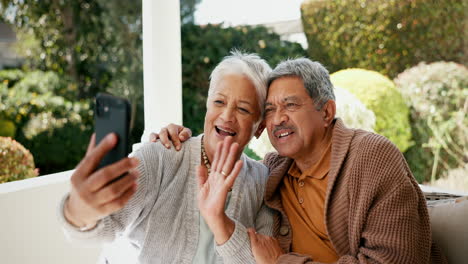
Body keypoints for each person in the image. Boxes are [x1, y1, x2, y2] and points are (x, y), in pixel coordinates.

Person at [153, 58, 445, 263]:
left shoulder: (372, 158)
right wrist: (173, 137)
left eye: (290, 105)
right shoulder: (274, 172)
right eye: (269, 109)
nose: (278, 118)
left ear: (327, 112)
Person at [57, 51, 276, 264]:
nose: (227, 116)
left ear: (259, 127)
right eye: (219, 102)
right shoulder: (161, 157)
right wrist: (77, 210)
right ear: (207, 106)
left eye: (243, 109)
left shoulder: (262, 182)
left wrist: (220, 222)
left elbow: (261, 259)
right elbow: (103, 226)